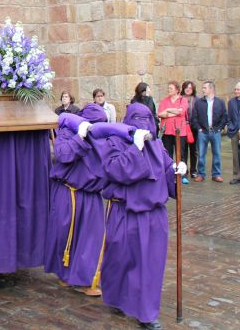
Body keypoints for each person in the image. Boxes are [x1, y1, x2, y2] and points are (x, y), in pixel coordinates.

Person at [89, 102, 184, 330]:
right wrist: (135, 148)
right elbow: (113, 170)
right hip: (124, 212)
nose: (143, 124)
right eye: (137, 119)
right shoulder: (114, 142)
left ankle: (146, 313)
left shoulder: (158, 145)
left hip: (153, 216)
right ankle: (118, 297)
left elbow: (167, 167)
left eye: (147, 118)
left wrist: (178, 170)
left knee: (149, 265)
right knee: (119, 261)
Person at [44, 105, 107, 296]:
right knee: (63, 234)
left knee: (90, 240)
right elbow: (63, 154)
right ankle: (64, 274)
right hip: (68, 191)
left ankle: (87, 279)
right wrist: (79, 137)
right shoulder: (67, 132)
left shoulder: (106, 138)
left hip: (91, 194)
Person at [190, 80, 227, 182]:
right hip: (203, 132)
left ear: (211, 89)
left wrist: (220, 128)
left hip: (215, 131)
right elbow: (194, 118)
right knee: (201, 154)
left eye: (205, 88)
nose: (203, 90)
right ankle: (201, 174)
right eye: (203, 88)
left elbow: (224, 116)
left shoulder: (220, 102)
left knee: (217, 153)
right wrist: (199, 129)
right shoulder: (199, 103)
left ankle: (216, 174)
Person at [157, 81, 189, 184]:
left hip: (180, 131)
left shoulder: (183, 100)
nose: (168, 90)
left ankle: (182, 174)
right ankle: (170, 174)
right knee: (168, 154)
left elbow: (181, 111)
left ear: (177, 90)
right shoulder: (164, 101)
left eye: (171, 88)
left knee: (181, 154)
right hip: (167, 131)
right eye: (168, 88)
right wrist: (174, 112)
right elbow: (160, 114)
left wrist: (169, 110)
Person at [180, 81, 198, 179]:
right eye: (186, 87)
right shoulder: (180, 99)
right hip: (183, 127)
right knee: (183, 150)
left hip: (193, 127)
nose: (188, 89)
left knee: (194, 150)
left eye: (190, 88)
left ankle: (193, 170)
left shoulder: (196, 100)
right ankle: (184, 170)